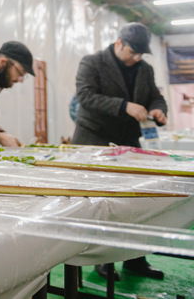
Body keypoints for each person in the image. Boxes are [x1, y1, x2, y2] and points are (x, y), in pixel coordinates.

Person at [72, 22, 168, 281]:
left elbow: (155, 96)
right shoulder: (92, 63)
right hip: (94, 140)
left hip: (129, 143)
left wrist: (159, 109)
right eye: (132, 52)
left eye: (140, 54)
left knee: (135, 202)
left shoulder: (144, 69)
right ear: (118, 43)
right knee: (102, 204)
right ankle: (102, 260)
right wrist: (124, 106)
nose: (136, 58)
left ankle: (135, 259)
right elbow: (85, 96)